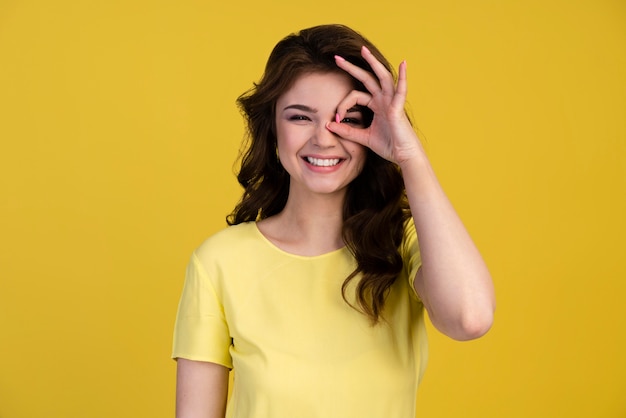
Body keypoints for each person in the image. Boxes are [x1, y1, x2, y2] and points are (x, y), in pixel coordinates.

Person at [172, 24, 495, 418]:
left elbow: (471, 318)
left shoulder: (402, 244)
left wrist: (410, 157)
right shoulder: (218, 262)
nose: (324, 139)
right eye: (300, 117)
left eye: (348, 117)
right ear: (273, 127)